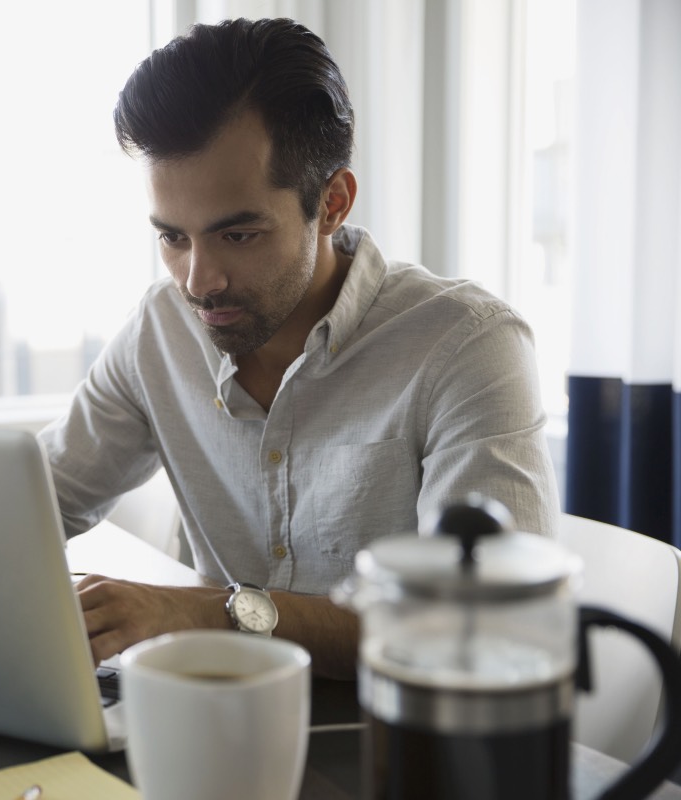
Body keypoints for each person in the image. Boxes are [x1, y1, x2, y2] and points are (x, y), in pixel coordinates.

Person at [37, 17, 559, 679]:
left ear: (333, 202)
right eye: (172, 237)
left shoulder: (467, 346)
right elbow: (32, 504)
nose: (199, 281)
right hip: (215, 727)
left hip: (398, 746)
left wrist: (214, 612)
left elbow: (486, 624)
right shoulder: (159, 331)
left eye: (239, 235)